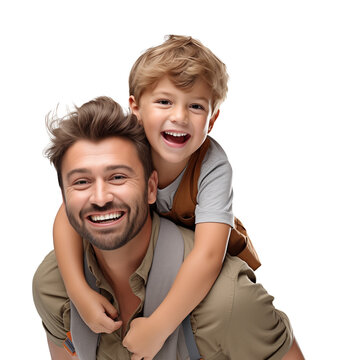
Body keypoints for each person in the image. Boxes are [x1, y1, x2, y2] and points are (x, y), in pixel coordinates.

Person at [33, 96, 303, 359]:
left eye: (117, 177)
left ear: (152, 188)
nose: (100, 197)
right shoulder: (53, 285)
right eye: (81, 182)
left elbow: (210, 255)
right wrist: (78, 292)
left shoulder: (228, 303)